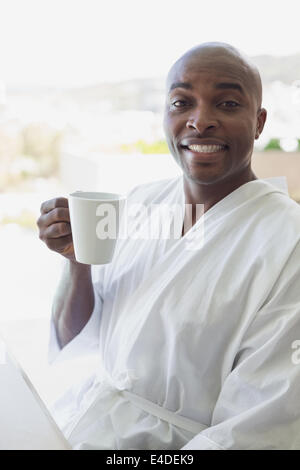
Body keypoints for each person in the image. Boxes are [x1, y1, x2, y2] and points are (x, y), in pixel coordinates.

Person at [37, 42, 300, 450]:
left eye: (228, 104)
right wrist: (78, 263)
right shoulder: (141, 202)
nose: (201, 121)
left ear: (259, 121)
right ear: (165, 114)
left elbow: (260, 426)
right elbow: (78, 337)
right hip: (81, 427)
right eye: (181, 102)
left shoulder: (288, 240)